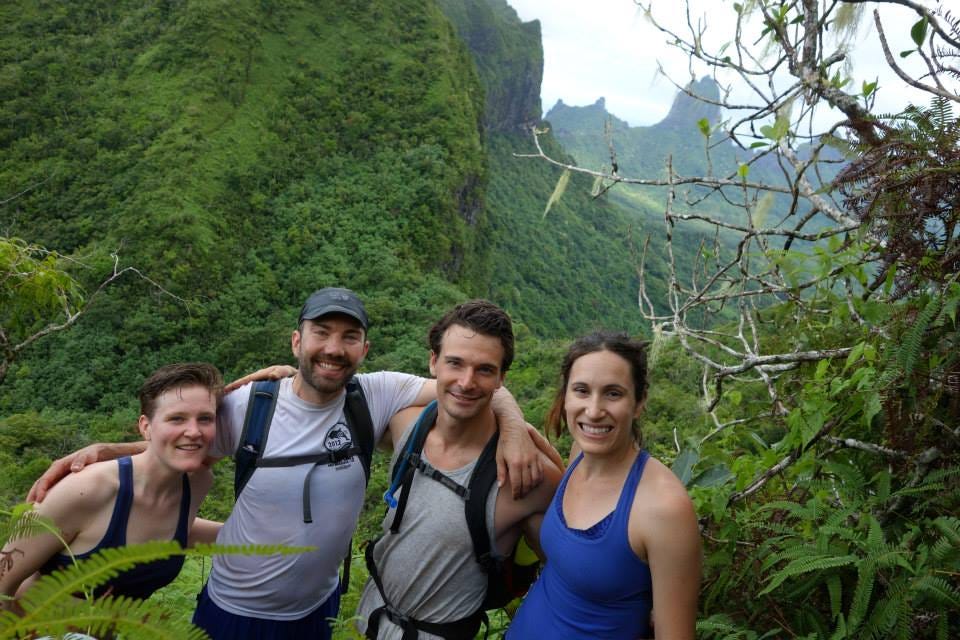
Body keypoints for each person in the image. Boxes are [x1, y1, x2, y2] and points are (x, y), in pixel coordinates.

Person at [25, 288, 545, 639]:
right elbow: (180, 442)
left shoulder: (377, 394)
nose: (333, 349)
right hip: (232, 611)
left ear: (365, 348)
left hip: (317, 612)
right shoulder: (250, 406)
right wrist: (111, 451)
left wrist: (514, 430)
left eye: (348, 337)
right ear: (297, 341)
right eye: (321, 333)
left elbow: (471, 385)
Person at [355, 300, 563, 640]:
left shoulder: (525, 475)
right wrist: (281, 382)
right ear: (433, 362)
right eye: (455, 363)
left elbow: (576, 567)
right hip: (366, 623)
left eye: (484, 370)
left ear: (501, 378)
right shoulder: (404, 425)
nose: (466, 382)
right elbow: (326, 399)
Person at [507, 332, 701, 640]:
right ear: (566, 396)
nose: (594, 410)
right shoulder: (578, 456)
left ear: (639, 402)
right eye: (581, 391)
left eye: (613, 393)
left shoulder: (663, 508)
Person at [0, 363, 224, 613]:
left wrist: (251, 536)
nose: (193, 431)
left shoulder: (197, 483)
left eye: (205, 418)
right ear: (146, 427)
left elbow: (173, 528)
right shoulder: (87, 488)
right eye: (176, 418)